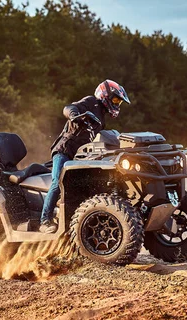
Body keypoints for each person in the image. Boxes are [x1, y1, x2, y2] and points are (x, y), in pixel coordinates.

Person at [39, 79, 131, 233]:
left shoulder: (102, 118)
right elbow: (69, 108)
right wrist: (75, 115)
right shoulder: (91, 102)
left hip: (80, 156)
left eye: (119, 102)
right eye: (115, 99)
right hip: (64, 150)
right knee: (57, 182)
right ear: (105, 95)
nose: (116, 104)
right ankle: (44, 221)